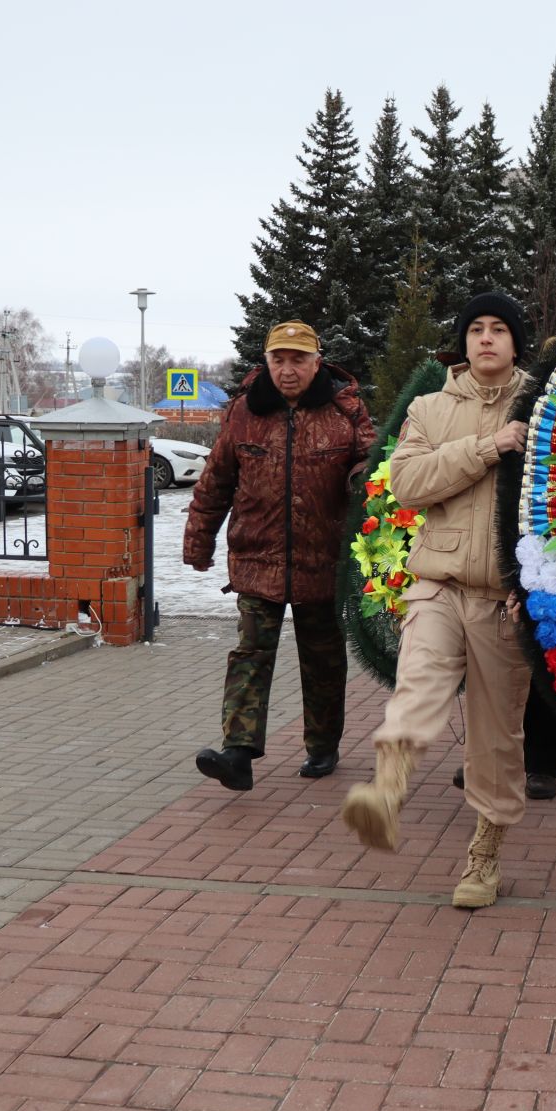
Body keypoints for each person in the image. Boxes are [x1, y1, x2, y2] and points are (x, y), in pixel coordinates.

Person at [341, 292, 537, 910]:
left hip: (507, 599)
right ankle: (387, 788)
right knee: (418, 680)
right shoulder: (429, 407)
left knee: (497, 736)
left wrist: (533, 588)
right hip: (439, 581)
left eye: (498, 330)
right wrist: (487, 447)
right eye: (475, 329)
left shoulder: (550, 406)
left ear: (515, 342)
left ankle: (485, 852)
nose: (486, 339)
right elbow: (408, 483)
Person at [186, 322, 375, 789]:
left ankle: (323, 745)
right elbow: (216, 483)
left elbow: (373, 463)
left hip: (323, 560)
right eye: (278, 360)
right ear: (266, 362)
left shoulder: (345, 410)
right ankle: (238, 754)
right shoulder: (244, 413)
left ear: (316, 362)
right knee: (250, 653)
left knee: (324, 660)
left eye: (298, 360)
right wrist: (199, 540)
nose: (287, 370)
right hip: (257, 558)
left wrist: (361, 479)